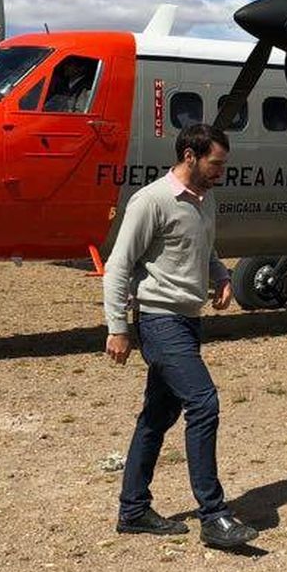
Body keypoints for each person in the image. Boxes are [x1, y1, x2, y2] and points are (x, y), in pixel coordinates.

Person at [104, 122, 259, 549]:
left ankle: (133, 510)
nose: (221, 171)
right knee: (203, 402)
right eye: (215, 162)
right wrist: (118, 326)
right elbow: (118, 265)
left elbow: (204, 246)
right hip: (159, 320)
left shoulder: (205, 200)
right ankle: (214, 516)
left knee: (157, 415)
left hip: (188, 321)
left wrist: (221, 274)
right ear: (189, 156)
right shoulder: (151, 200)